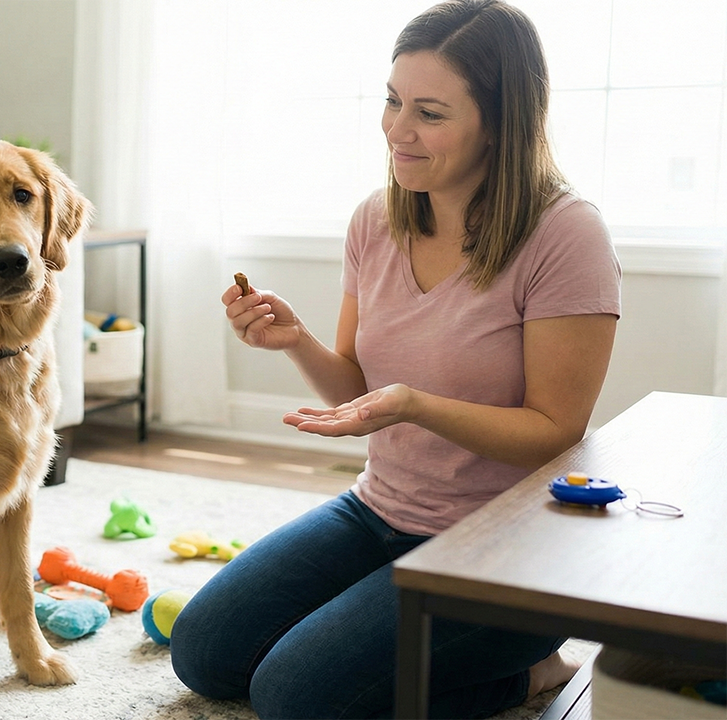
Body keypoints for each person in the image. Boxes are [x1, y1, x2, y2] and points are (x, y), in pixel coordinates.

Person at [168, 1, 621, 719]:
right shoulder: (376, 219)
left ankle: (533, 672)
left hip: (510, 543)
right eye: (392, 100)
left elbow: (555, 430)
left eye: (429, 113)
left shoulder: (566, 235)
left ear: (501, 123)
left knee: (293, 697)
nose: (396, 130)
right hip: (379, 509)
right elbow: (356, 389)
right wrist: (297, 340)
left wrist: (416, 404)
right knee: (204, 653)